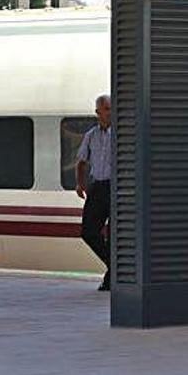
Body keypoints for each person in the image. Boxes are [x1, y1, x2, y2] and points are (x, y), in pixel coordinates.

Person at [76, 95, 113, 291]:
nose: (109, 113)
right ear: (97, 112)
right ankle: (115, 267)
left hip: (117, 188)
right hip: (98, 187)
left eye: (110, 108)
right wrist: (80, 184)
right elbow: (81, 161)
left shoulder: (122, 133)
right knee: (88, 232)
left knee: (115, 235)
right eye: (105, 109)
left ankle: (111, 275)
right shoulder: (91, 135)